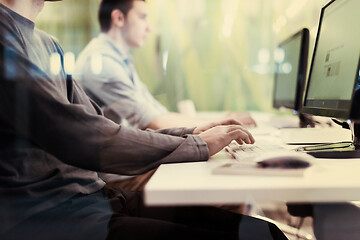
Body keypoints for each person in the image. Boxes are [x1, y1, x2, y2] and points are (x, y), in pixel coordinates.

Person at [0, 0, 288, 239]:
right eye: (143, 17)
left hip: (96, 198)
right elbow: (81, 136)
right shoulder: (5, 38)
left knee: (263, 232)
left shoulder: (49, 44)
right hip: (49, 216)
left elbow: (99, 124)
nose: (150, 27)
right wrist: (196, 144)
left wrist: (190, 133)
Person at [74, 0, 256, 131]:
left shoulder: (120, 60)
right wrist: (219, 123)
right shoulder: (101, 63)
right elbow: (153, 121)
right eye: (142, 17)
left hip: (124, 161)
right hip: (115, 172)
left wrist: (219, 120)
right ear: (119, 18)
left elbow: (157, 112)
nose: (149, 28)